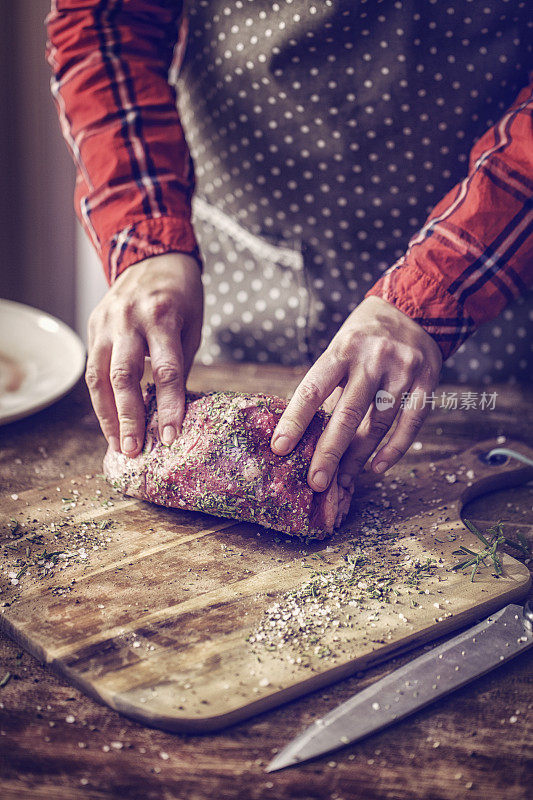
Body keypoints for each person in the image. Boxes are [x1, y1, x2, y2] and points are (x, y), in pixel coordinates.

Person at [46, 0, 532, 497]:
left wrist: (433, 291)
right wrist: (148, 238)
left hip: (483, 267)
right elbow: (105, 23)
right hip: (241, 263)